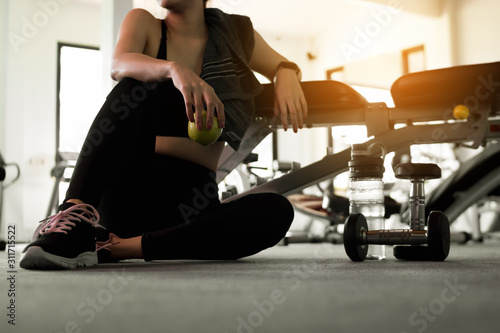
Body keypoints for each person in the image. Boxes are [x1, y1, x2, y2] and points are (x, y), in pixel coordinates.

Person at [20, 0, 307, 270]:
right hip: (128, 192)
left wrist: (287, 73)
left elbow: (282, 64)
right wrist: (173, 70)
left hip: (190, 202)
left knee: (277, 210)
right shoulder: (145, 23)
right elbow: (119, 65)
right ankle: (76, 216)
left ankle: (114, 248)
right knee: (133, 87)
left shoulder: (236, 36)